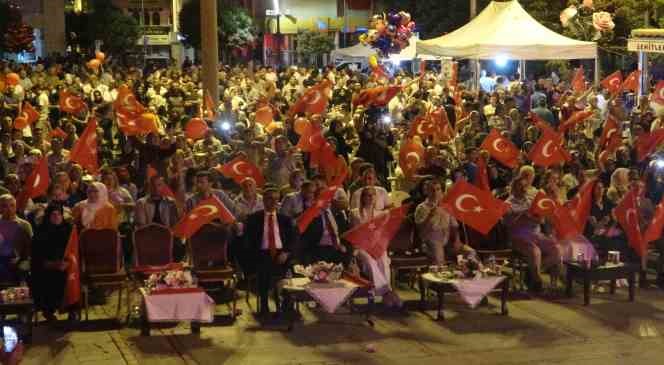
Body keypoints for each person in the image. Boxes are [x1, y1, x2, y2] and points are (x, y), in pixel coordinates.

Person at [243, 187, 298, 316]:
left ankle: (287, 303)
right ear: (263, 201)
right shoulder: (253, 219)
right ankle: (264, 305)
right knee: (264, 269)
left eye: (276, 199)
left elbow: (294, 239)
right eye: (269, 199)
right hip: (262, 254)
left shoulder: (285, 219)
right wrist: (254, 256)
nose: (273, 202)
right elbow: (247, 242)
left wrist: (286, 252)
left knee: (291, 270)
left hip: (282, 253)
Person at [504, 178, 562, 292]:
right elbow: (507, 224)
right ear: (513, 188)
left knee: (557, 249)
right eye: (520, 186)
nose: (523, 189)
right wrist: (521, 216)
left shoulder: (531, 200)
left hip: (536, 233)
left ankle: (531, 272)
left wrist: (535, 217)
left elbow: (541, 220)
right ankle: (537, 281)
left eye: (524, 186)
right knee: (535, 252)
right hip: (519, 235)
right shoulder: (508, 203)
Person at [349, 187, 402, 308]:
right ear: (363, 197)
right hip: (361, 246)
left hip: (377, 245)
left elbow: (384, 234)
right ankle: (388, 293)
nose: (370, 197)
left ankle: (385, 294)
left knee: (383, 260)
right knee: (370, 262)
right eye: (367, 195)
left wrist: (379, 246)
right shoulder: (355, 213)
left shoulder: (382, 214)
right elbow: (355, 233)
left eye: (373, 195)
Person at [415, 179, 474, 265]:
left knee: (471, 253)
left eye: (438, 189)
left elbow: (454, 226)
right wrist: (430, 215)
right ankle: (440, 275)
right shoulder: (421, 208)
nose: (435, 192)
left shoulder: (447, 206)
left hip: (447, 239)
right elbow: (420, 229)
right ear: (427, 192)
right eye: (432, 190)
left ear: (441, 191)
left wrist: (457, 240)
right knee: (439, 260)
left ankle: (468, 274)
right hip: (431, 241)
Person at [30, 203, 72, 322]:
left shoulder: (68, 229)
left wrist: (67, 263)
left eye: (59, 214)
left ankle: (72, 309)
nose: (56, 217)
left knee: (71, 275)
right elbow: (36, 256)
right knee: (45, 276)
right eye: (53, 215)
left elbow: (74, 250)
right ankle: (48, 311)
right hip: (46, 266)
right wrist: (51, 264)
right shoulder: (41, 232)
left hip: (66, 265)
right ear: (48, 216)